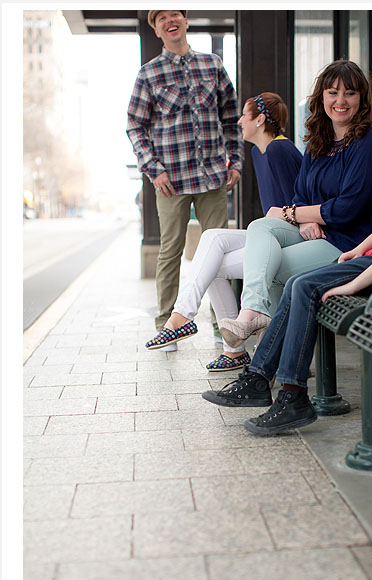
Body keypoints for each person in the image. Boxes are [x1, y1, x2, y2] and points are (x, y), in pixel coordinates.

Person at [200, 98, 372, 435]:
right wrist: (356, 251)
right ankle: (259, 380)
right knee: (298, 284)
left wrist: (353, 283)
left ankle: (289, 394)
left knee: (303, 286)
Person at [217, 59, 372, 347]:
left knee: (271, 267)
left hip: (350, 242)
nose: (340, 101)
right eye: (332, 92)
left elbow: (348, 208)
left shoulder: (370, 142)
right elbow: (301, 191)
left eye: (350, 93)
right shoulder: (319, 140)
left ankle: (274, 354)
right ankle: (253, 313)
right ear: (321, 96)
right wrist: (305, 217)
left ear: (361, 98)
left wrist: (296, 213)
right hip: (320, 229)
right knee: (260, 227)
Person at [143, 93, 302, 371]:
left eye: (244, 115)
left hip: (291, 239)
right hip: (270, 233)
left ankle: (213, 338)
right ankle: (191, 322)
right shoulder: (259, 152)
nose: (239, 121)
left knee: (214, 261)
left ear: (260, 119)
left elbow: (300, 200)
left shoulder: (280, 150)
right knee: (211, 238)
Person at [127, 10, 242, 343]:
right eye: (161, 17)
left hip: (212, 179)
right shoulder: (149, 74)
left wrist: (235, 161)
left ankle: (225, 324)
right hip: (171, 181)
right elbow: (135, 125)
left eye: (174, 13)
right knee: (170, 250)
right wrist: (153, 169)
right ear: (156, 29)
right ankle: (167, 323)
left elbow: (231, 118)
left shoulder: (213, 65)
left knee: (220, 252)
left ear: (185, 21)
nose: (169, 20)